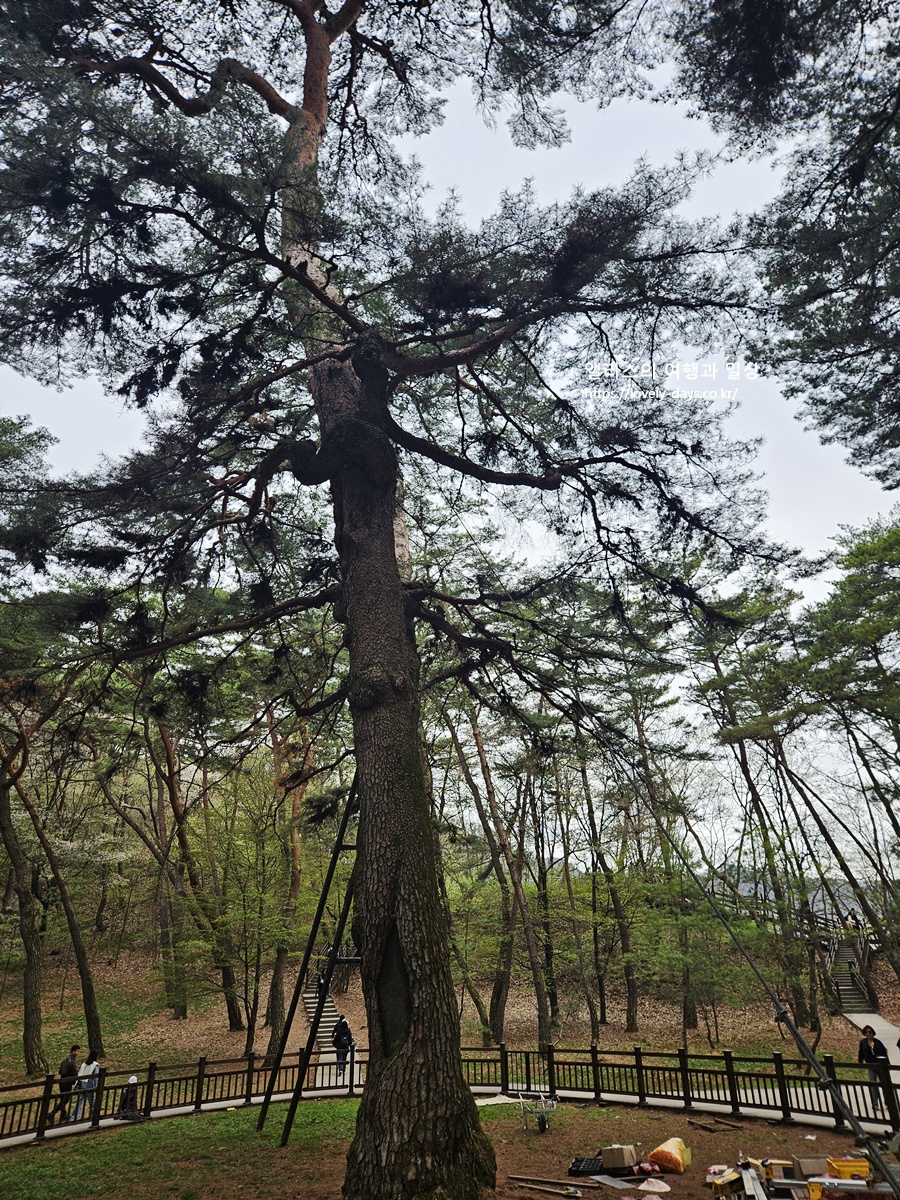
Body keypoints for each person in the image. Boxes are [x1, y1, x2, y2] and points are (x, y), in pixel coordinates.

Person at [858, 1025, 889, 1115]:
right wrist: (860, 1062)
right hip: (871, 1066)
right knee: (873, 1084)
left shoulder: (878, 1042)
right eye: (866, 1032)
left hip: (880, 1066)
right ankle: (875, 1104)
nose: (868, 1034)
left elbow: (884, 1053)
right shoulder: (863, 1043)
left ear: (873, 1033)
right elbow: (861, 1053)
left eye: (870, 1032)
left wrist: (887, 1065)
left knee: (884, 1084)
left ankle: (887, 1102)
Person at [49, 1045, 80, 1124]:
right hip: (67, 1081)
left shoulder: (64, 1060)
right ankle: (52, 1113)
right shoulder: (72, 1061)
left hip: (62, 1081)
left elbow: (60, 1071)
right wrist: (77, 1079)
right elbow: (74, 1071)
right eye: (78, 1051)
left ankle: (63, 1114)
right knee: (66, 1099)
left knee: (63, 1098)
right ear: (74, 1051)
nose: (78, 1053)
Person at [74, 1049, 100, 1121]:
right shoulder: (95, 1065)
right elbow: (95, 1076)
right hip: (89, 1084)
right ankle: (95, 1113)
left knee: (79, 1100)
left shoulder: (84, 1064)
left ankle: (75, 1116)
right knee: (92, 1100)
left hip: (81, 1084)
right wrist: (96, 1083)